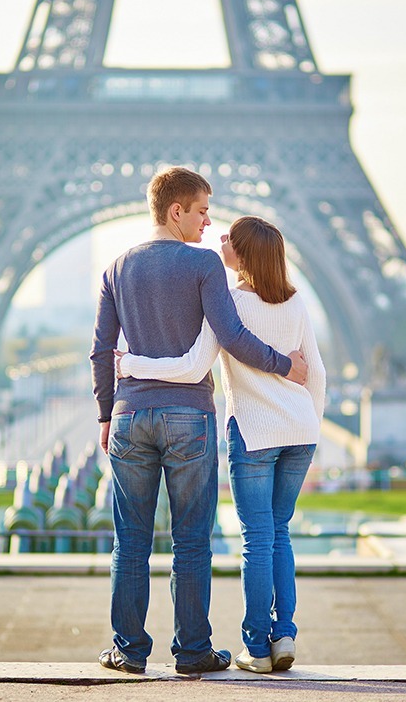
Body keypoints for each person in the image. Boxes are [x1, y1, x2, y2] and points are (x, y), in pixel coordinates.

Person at [90, 168, 308, 675]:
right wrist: (285, 364)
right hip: (189, 416)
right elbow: (230, 335)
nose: (210, 222)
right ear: (176, 212)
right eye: (204, 211)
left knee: (131, 541)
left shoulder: (116, 268)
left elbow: (101, 350)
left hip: (129, 414)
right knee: (191, 540)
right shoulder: (203, 264)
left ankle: (128, 650)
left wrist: (106, 414)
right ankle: (192, 652)